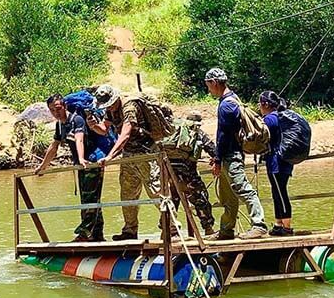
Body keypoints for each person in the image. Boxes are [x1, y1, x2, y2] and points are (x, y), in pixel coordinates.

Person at [93, 84, 172, 241]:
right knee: (128, 193)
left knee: (157, 191)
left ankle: (172, 229)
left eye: (110, 104)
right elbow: (104, 129)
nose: (109, 108)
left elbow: (125, 134)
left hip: (146, 154)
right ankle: (130, 230)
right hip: (129, 155)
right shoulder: (110, 109)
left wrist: (109, 157)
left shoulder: (129, 106)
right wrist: (93, 125)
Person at [204, 68, 267, 240]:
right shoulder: (232, 99)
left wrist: (217, 158)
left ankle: (259, 225)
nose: (208, 89)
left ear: (214, 83)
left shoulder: (226, 105)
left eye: (208, 85)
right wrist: (218, 156)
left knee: (243, 188)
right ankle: (226, 230)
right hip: (228, 155)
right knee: (228, 195)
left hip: (231, 156)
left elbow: (224, 135)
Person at [34, 94, 105, 242]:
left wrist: (80, 158)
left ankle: (86, 234)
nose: (56, 113)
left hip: (91, 162)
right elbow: (54, 147)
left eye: (58, 108)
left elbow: (79, 139)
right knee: (87, 199)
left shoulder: (77, 120)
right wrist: (43, 167)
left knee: (90, 199)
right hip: (81, 165)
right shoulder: (60, 125)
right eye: (52, 110)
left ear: (65, 106)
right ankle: (96, 234)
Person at [162, 113, 217, 237]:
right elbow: (212, 149)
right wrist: (216, 159)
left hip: (169, 174)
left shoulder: (172, 131)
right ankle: (208, 229)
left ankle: (167, 232)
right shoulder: (197, 132)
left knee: (171, 201)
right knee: (200, 198)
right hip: (188, 175)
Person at [259, 90, 295, 236]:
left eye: (260, 104)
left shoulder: (270, 120)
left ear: (266, 104)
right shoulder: (281, 117)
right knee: (277, 192)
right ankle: (278, 223)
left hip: (276, 163)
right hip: (286, 161)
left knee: (280, 193)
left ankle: (286, 227)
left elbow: (261, 138)